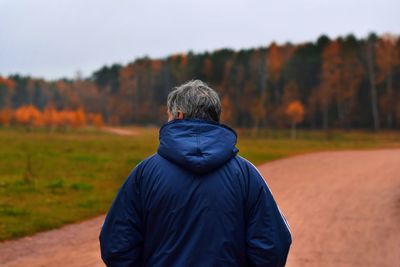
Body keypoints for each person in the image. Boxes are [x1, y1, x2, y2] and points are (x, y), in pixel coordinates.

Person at [99, 80, 292, 267]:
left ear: (179, 116)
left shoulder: (144, 174)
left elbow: (116, 245)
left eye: (169, 115)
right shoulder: (246, 174)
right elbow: (273, 247)